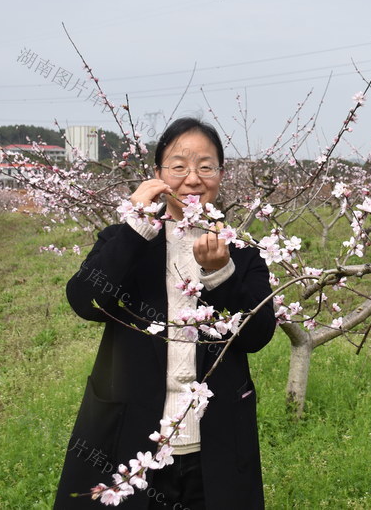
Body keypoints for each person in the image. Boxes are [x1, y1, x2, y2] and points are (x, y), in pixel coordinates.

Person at [54, 117, 276, 509]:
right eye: (178, 166)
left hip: (216, 440)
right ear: (157, 175)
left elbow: (258, 336)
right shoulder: (128, 239)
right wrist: (135, 228)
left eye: (206, 166)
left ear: (221, 175)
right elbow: (85, 301)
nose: (193, 178)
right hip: (132, 434)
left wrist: (220, 275)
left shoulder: (241, 252)